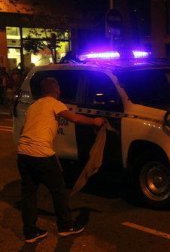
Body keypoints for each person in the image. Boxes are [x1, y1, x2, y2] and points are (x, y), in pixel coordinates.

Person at [16, 77, 105, 243]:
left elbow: (24, 129)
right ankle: (65, 226)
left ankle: (30, 232)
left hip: (23, 153)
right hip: (41, 154)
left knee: (29, 193)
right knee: (58, 190)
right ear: (56, 90)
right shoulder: (53, 102)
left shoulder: (34, 106)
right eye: (58, 86)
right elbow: (75, 119)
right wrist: (95, 121)